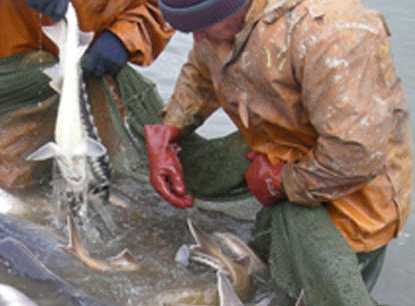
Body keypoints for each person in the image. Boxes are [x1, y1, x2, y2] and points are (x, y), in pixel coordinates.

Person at [143, 0, 412, 288]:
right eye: (189, 30)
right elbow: (202, 66)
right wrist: (171, 128)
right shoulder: (220, 26)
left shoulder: (331, 33)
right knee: (265, 284)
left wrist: (282, 181)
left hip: (353, 202)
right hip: (275, 161)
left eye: (202, 26)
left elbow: (358, 154)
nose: (197, 37)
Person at [0, 0, 175, 188]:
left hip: (95, 67)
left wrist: (126, 36)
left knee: (96, 182)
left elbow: (170, 6)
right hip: (11, 60)